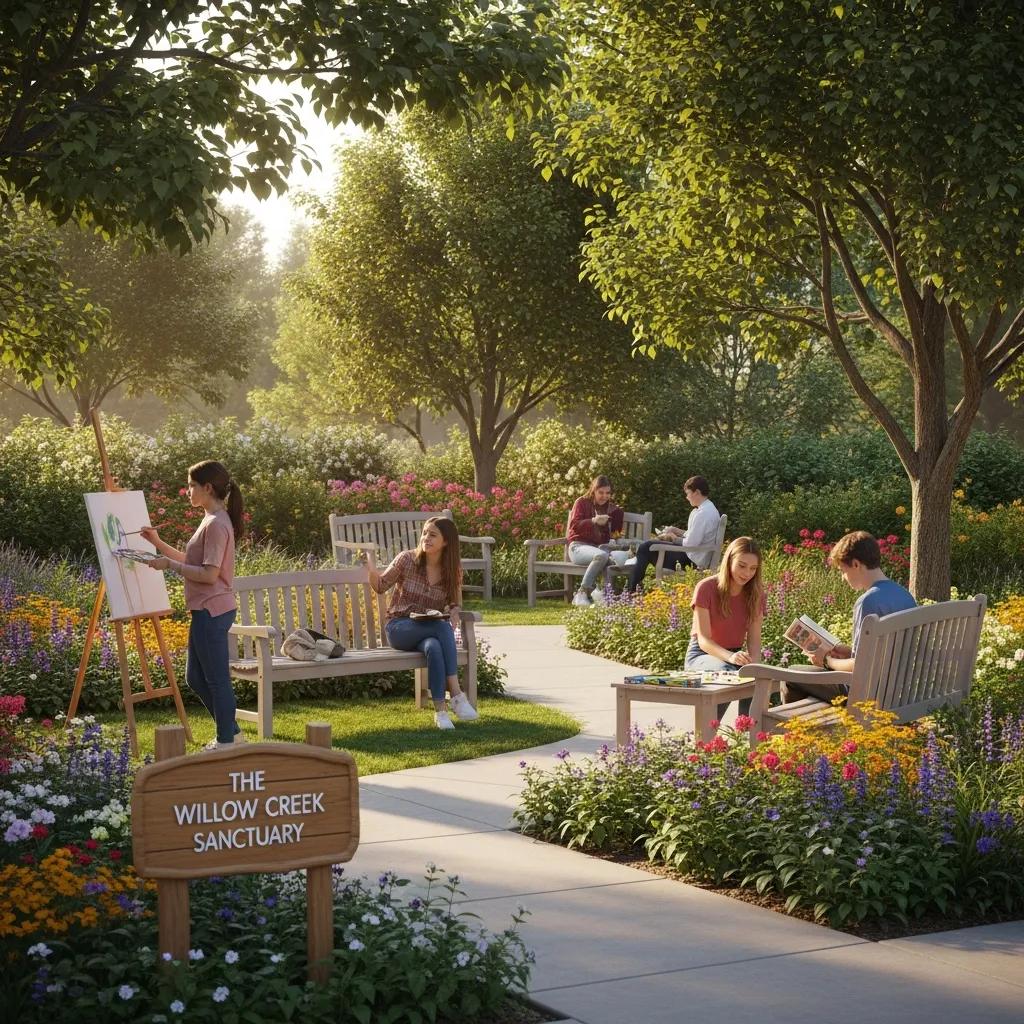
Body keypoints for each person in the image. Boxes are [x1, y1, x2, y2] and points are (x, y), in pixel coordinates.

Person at [141, 460, 243, 748]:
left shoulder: (217, 525)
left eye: (191, 486)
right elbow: (194, 562)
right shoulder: (211, 519)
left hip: (213, 609)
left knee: (216, 680)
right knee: (195, 677)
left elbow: (210, 575)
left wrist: (169, 565)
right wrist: (158, 543)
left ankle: (227, 741)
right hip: (205, 609)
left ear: (207, 488)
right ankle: (232, 730)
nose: (188, 491)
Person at [366, 516, 479, 730]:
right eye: (425, 533)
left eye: (433, 534)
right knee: (440, 626)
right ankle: (456, 694)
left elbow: (454, 603)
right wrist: (371, 568)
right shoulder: (407, 560)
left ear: (446, 542)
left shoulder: (451, 571)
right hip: (399, 628)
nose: (426, 538)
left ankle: (441, 712)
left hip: (427, 632)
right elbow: (380, 586)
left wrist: (454, 612)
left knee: (434, 647)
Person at [787, 531, 917, 704]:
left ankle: (797, 731)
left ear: (856, 564)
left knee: (792, 675)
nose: (843, 578)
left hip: (864, 695)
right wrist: (846, 651)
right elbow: (882, 653)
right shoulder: (904, 595)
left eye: (843, 570)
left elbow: (859, 667)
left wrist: (826, 659)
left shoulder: (867, 602)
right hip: (897, 692)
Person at [684, 536, 766, 722]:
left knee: (754, 676)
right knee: (726, 672)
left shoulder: (757, 594)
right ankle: (707, 737)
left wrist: (756, 666)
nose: (747, 573)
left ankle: (747, 735)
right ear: (729, 560)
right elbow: (704, 640)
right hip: (702, 655)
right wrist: (730, 657)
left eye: (753, 569)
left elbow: (754, 640)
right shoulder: (706, 588)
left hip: (736, 656)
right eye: (742, 566)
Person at [628, 475, 720, 592]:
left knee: (645, 548)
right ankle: (635, 589)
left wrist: (673, 538)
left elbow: (690, 543)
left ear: (697, 492)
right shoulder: (708, 508)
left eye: (688, 493)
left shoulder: (703, 513)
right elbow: (696, 536)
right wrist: (676, 530)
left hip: (691, 560)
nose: (687, 497)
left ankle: (632, 592)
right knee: (648, 546)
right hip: (696, 555)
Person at [567, 475, 626, 606]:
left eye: (608, 493)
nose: (604, 496)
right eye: (601, 492)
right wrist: (593, 521)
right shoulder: (582, 502)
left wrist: (616, 518)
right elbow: (574, 526)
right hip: (578, 547)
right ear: (593, 490)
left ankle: (603, 594)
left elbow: (615, 536)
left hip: (599, 549)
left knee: (609, 558)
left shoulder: (613, 510)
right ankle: (582, 593)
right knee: (602, 556)